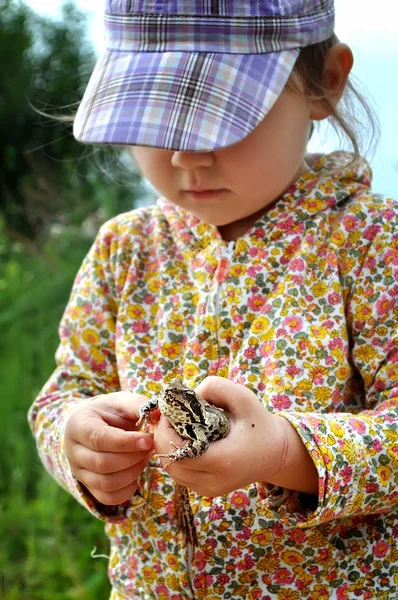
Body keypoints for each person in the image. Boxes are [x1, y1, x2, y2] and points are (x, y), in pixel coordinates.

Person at [28, 1, 398, 599]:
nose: (186, 158)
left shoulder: (371, 244)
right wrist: (77, 441)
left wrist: (284, 450)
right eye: (158, 121)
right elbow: (66, 391)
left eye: (223, 119)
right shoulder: (126, 250)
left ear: (326, 82)